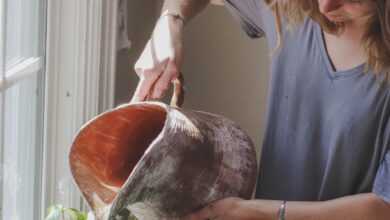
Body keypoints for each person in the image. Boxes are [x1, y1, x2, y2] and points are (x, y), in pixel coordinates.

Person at [131, 0, 390, 219]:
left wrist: (254, 212)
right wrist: (169, 22)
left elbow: (383, 205)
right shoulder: (291, 7)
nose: (325, 6)